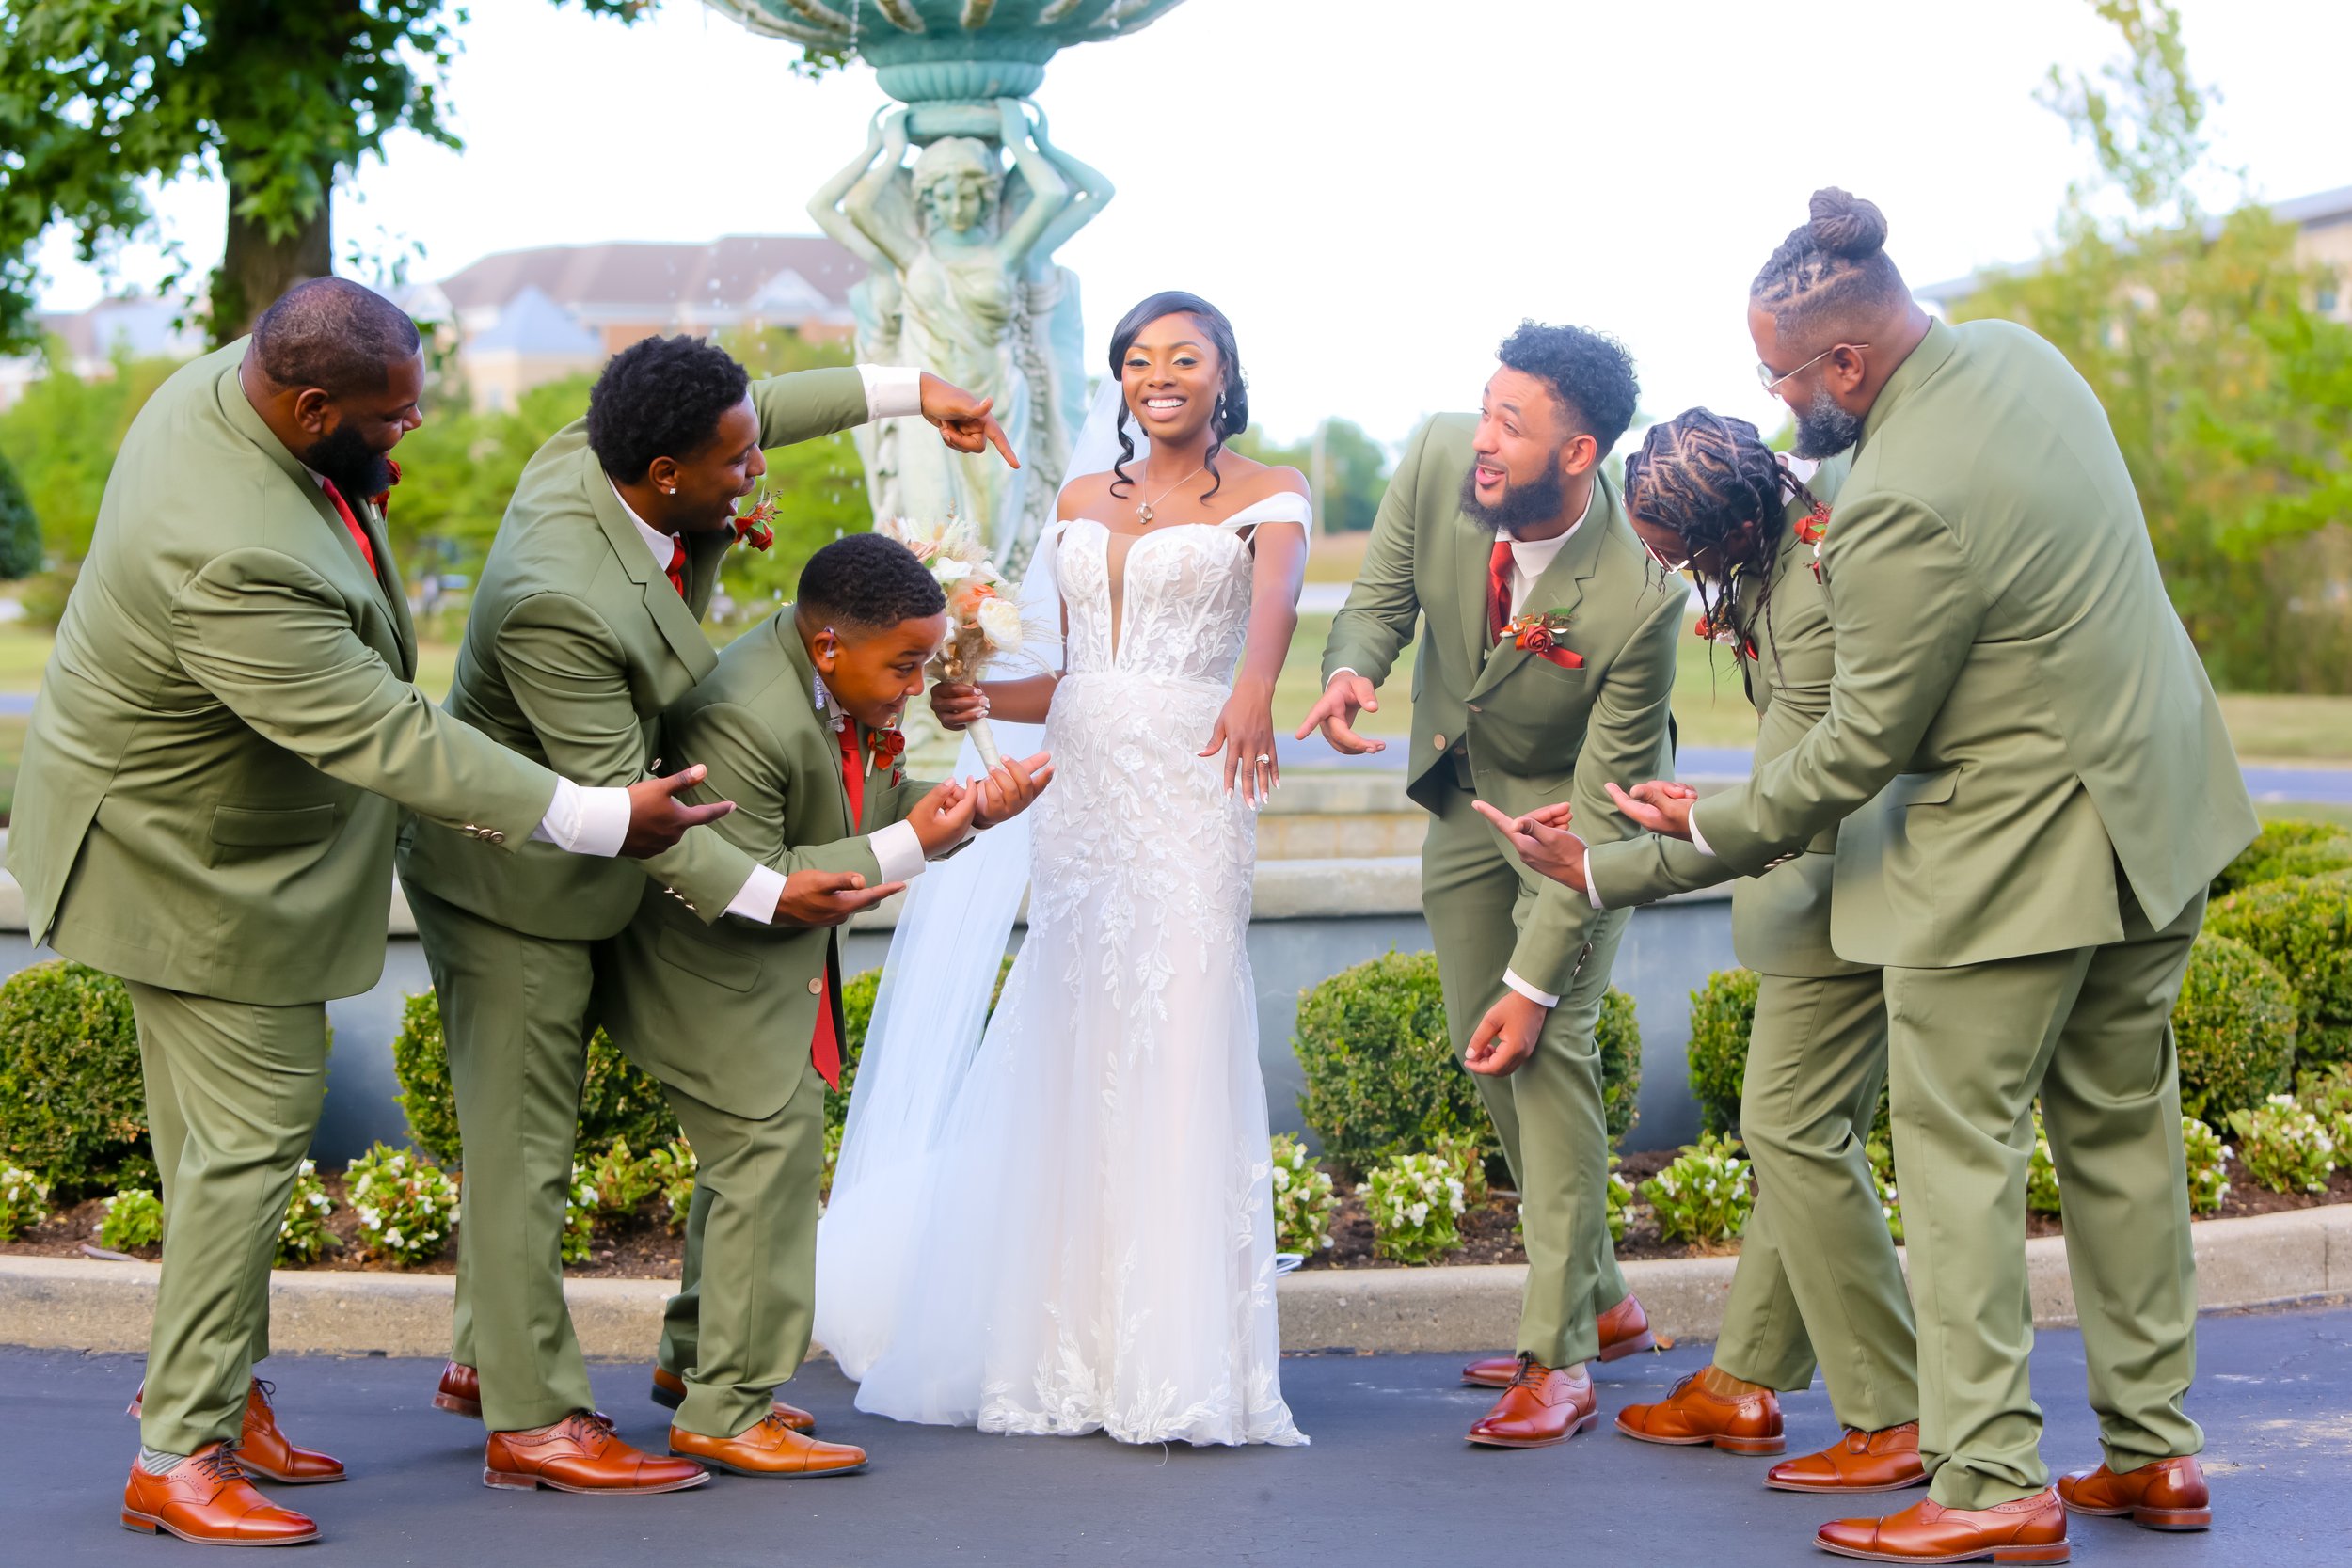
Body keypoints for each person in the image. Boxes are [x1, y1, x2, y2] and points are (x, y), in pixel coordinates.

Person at [1486, 190, 2254, 1562]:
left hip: (2011, 856)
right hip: (2159, 810)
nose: (1780, 405)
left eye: (1782, 376)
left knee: (1959, 1157)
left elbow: (1851, 755)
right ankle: (2155, 1450)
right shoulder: (2021, 355)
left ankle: (1988, 1475)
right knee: (2121, 1136)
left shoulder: (1894, 503)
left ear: (1845, 362)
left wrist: (1675, 834)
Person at [5, 278, 725, 1547]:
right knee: (247, 1143)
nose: (414, 429)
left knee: (205, 1148)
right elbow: (391, 735)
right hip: (194, 872)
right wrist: (599, 812)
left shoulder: (236, 383)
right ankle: (177, 1453)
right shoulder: (232, 553)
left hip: (142, 825)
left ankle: (220, 1399)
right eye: (392, 417)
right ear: (308, 405)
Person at [401, 332, 1013, 1494]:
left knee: (661, 1128)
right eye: (735, 462)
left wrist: (914, 394)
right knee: (526, 1149)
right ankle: (531, 1419)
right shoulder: (557, 602)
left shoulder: (609, 443)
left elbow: (753, 408)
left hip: (618, 840)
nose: (756, 467)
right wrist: (773, 890)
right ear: (665, 473)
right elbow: (632, 809)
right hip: (516, 882)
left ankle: (517, 1356)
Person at [819, 291, 1311, 1446]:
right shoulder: (1081, 498)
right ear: (1120, 379)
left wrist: (1254, 688)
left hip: (1190, 778)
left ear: (1223, 373)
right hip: (1082, 794)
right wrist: (983, 696)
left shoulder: (1271, 490)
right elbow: (1078, 674)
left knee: (1180, 1032)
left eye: (1183, 356)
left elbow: (1278, 601)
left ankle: (1180, 1361)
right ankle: (1066, 1349)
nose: (1158, 374)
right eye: (1138, 358)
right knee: (1076, 1037)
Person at [1295, 322, 1683, 1449]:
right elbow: (1379, 597)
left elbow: (1606, 803)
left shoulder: (1641, 592)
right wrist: (1352, 669)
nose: (1481, 437)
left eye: (1510, 424)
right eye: (1484, 408)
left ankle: (1557, 1356)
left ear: (1579, 452)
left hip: (1580, 820)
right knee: (1486, 1042)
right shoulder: (1434, 458)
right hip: (1464, 795)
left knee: (1544, 1038)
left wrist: (1537, 971)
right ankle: (1601, 1300)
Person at [596, 534, 1051, 1479]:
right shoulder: (746, 711)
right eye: (907, 666)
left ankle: (695, 1364)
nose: (919, 685)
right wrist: (911, 841)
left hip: (762, 959)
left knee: (745, 1169)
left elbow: (865, 802)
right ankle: (728, 1409)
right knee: (768, 1160)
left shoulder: (834, 673)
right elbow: (756, 874)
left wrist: (967, 807)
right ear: (832, 645)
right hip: (708, 962)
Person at [1593, 411, 1925, 1495]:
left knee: (1787, 1123)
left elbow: (1795, 806)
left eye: (1674, 551)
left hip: (1851, 883)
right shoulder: (1777, 542)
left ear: (1730, 525)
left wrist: (1633, 852)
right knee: (1804, 1132)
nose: (1666, 569)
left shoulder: (1813, 592)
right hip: (1841, 866)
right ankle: (1740, 1379)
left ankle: (1895, 1413)